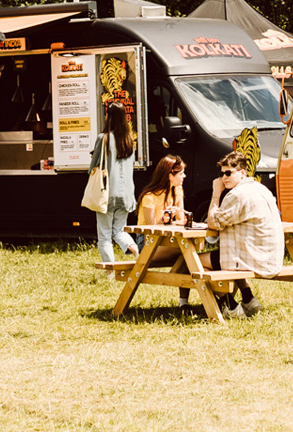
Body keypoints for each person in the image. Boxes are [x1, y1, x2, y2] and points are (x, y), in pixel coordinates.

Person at [203, 150, 283, 319]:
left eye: (228, 173)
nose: (224, 177)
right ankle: (248, 299)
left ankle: (230, 306)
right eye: (222, 173)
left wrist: (216, 192)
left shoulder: (236, 195)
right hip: (269, 256)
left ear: (242, 173)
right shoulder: (261, 189)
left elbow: (212, 222)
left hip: (254, 258)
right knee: (229, 255)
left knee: (195, 262)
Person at [133, 155, 193, 310]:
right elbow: (151, 228)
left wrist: (182, 217)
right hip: (147, 244)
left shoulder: (177, 191)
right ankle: (184, 299)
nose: (184, 176)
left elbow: (180, 220)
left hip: (168, 240)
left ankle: (183, 303)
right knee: (188, 250)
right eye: (181, 174)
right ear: (169, 175)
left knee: (189, 253)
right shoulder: (149, 197)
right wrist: (164, 218)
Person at [89, 102, 138, 264]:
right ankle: (137, 252)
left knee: (104, 236)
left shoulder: (103, 138)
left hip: (107, 193)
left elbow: (93, 167)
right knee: (119, 231)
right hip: (127, 195)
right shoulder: (129, 140)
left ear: (108, 117)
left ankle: (110, 272)